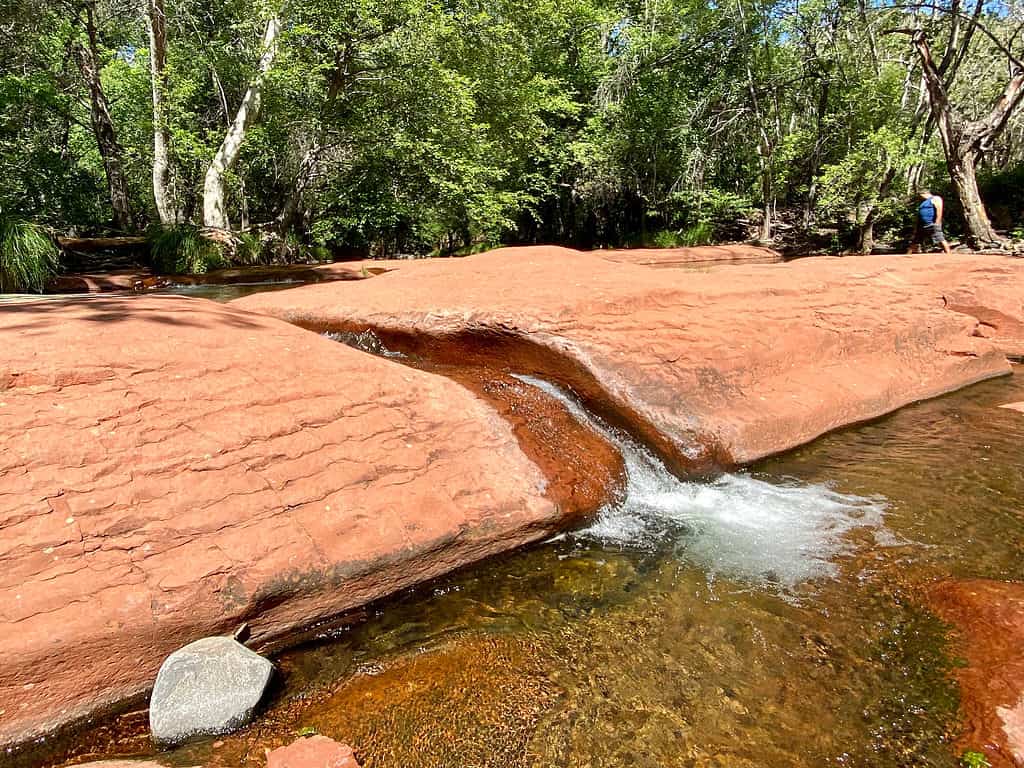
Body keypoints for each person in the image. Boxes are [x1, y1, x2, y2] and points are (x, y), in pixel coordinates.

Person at [911, 189, 952, 254]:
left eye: (921, 195)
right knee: (915, 240)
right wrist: (916, 226)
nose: (921, 197)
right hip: (922, 225)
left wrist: (937, 222)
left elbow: (939, 209)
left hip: (932, 223)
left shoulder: (935, 198)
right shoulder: (924, 202)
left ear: (925, 193)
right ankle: (907, 257)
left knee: (940, 238)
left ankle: (949, 254)